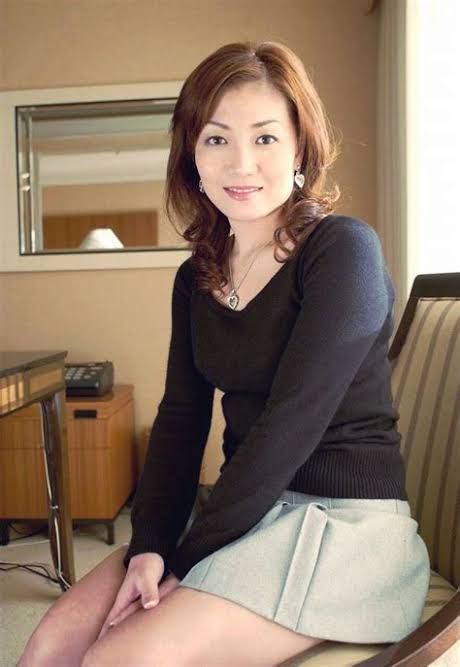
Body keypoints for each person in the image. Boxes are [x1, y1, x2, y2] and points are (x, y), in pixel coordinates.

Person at [19, 40, 430, 667]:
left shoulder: (344, 250)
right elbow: (181, 421)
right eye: (217, 139)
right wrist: (151, 543)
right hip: (244, 511)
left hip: (345, 528)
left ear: (300, 148)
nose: (241, 163)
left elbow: (291, 425)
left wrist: (186, 560)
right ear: (192, 156)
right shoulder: (196, 277)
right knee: (52, 645)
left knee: (117, 659)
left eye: (265, 137)